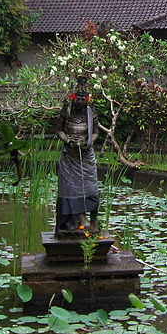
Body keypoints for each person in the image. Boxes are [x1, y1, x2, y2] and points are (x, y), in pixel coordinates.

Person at [54, 78, 100, 237]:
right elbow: (58, 130)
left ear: (87, 99)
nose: (81, 101)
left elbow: (96, 132)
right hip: (69, 157)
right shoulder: (66, 112)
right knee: (69, 189)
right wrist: (67, 140)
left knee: (91, 188)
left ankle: (93, 222)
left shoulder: (91, 112)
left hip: (86, 156)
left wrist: (89, 142)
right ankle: (73, 222)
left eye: (84, 99)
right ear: (73, 98)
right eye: (78, 98)